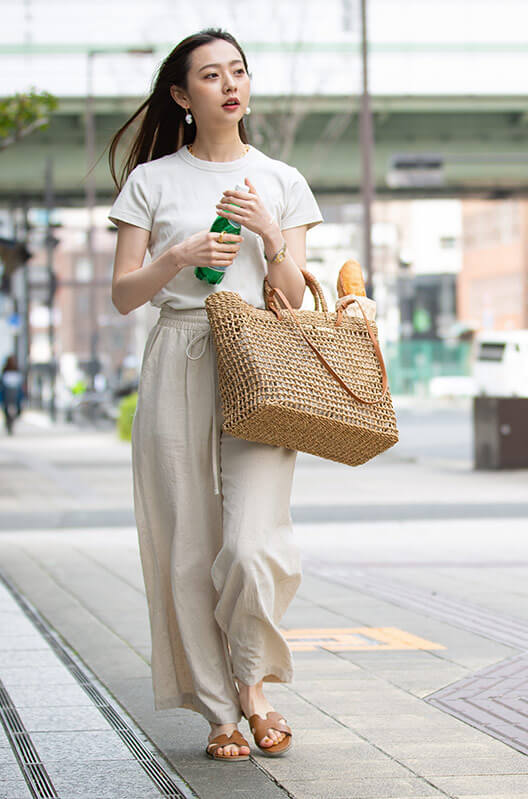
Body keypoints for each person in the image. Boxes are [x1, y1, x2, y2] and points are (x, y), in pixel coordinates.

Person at [107, 28, 323, 762]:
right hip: (180, 354)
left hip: (261, 360)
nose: (229, 84)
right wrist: (178, 254)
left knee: (254, 545)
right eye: (210, 75)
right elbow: (122, 296)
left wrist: (269, 233)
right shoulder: (153, 182)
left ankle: (255, 681)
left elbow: (293, 295)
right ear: (181, 94)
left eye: (238, 71)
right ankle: (221, 709)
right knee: (189, 544)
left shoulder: (283, 178)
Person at [1, 355, 24, 434]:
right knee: (7, 411)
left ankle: (11, 424)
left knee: (16, 411)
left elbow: (20, 386)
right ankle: (8, 424)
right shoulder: (5, 371)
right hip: (7, 394)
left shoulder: (17, 370)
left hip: (14, 394)